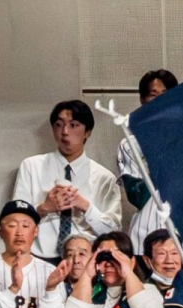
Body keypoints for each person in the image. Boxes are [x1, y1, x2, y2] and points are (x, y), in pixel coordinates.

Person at [12, 100, 123, 258]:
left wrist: (85, 206)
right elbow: (15, 220)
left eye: (74, 125)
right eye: (59, 124)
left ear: (88, 132)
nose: (64, 131)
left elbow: (113, 233)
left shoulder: (104, 178)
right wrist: (44, 208)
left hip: (85, 262)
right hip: (39, 260)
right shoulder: (31, 166)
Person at [120, 71, 178, 250]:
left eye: (165, 95)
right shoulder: (130, 144)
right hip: (144, 236)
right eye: (153, 95)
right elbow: (137, 196)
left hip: (182, 237)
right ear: (142, 100)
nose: (160, 100)